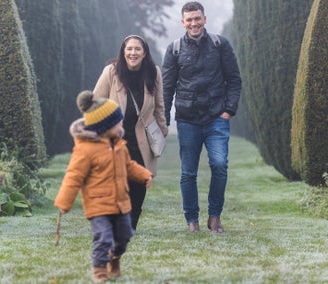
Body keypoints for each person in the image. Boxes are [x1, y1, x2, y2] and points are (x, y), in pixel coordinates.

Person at [54, 90, 153, 282]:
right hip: (98, 205)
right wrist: (64, 202)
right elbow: (73, 176)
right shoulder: (85, 149)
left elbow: (129, 165)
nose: (121, 125)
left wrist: (144, 175)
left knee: (125, 235)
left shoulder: (119, 145)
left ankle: (114, 258)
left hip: (121, 202)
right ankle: (99, 269)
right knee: (103, 237)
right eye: (118, 122)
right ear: (105, 126)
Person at [161, 1, 242, 233]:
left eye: (197, 18)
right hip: (187, 120)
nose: (194, 23)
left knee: (219, 165)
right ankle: (192, 220)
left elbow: (234, 79)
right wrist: (164, 120)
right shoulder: (174, 49)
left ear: (204, 19)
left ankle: (214, 217)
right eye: (189, 19)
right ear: (183, 22)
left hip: (217, 117)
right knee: (188, 172)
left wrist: (228, 110)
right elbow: (167, 89)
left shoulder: (220, 45)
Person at [93, 35, 168, 231]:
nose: (133, 53)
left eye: (137, 49)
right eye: (129, 49)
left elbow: (159, 105)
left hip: (141, 138)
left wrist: (163, 130)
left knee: (139, 183)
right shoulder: (111, 72)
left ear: (144, 53)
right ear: (123, 51)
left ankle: (132, 221)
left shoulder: (154, 73)